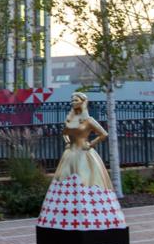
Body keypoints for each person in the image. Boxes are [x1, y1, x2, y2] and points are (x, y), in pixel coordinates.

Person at [37, 92, 126, 230]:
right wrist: (67, 142)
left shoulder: (89, 120)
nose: (73, 101)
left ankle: (91, 216)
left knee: (87, 181)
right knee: (65, 181)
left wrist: (91, 144)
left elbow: (103, 134)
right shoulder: (70, 119)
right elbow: (65, 133)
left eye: (76, 99)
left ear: (83, 101)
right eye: (71, 99)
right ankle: (66, 217)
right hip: (70, 154)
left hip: (85, 154)